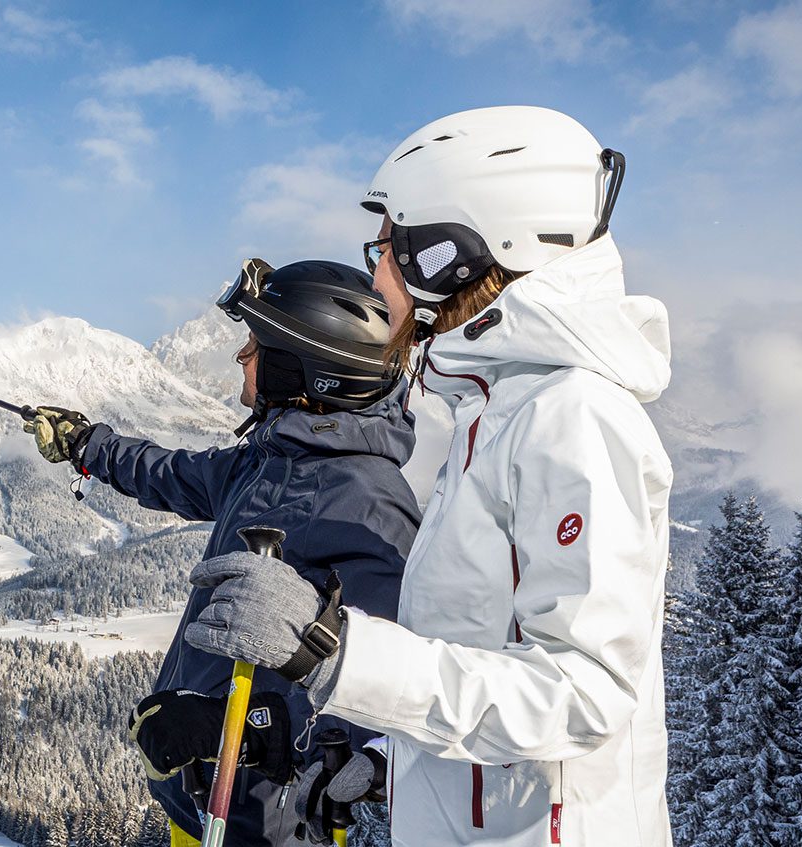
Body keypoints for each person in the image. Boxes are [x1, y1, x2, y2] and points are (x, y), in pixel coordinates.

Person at [179, 105, 673, 845]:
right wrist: (380, 751)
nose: (374, 273)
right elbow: (473, 649)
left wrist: (332, 649)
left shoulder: (572, 416)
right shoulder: (492, 409)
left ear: (452, 255)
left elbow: (583, 695)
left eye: (386, 248)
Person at [22, 259, 421, 845]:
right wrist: (88, 445)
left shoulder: (361, 502)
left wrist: (239, 730)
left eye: (254, 345)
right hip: (203, 798)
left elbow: (384, 698)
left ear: (297, 369)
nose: (240, 357)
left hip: (263, 823)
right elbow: (171, 473)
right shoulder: (270, 462)